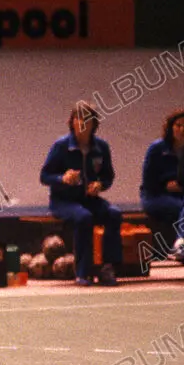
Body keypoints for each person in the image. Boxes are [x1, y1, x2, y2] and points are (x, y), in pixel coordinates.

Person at [40, 102, 121, 286]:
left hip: (90, 200)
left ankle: (107, 267)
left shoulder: (101, 147)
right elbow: (44, 176)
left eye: (87, 119)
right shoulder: (61, 146)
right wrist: (62, 178)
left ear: (94, 124)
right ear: (72, 122)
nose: (83, 123)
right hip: (63, 201)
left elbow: (108, 176)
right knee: (83, 217)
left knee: (114, 214)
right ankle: (83, 271)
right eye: (79, 119)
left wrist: (100, 185)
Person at [140, 109, 184, 283]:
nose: (182, 130)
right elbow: (148, 181)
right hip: (155, 197)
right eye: (178, 125)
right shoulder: (157, 149)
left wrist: (182, 188)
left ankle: (181, 243)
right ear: (171, 128)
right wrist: (165, 185)